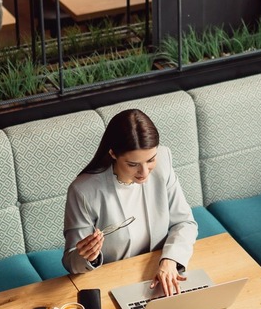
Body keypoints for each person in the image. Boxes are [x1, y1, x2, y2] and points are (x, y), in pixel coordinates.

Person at [62, 109, 197, 295]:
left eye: (150, 160)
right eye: (133, 164)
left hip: (160, 273)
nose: (144, 172)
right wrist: (88, 257)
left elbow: (184, 222)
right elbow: (71, 261)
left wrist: (170, 261)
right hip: (114, 283)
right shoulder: (83, 190)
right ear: (113, 153)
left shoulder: (164, 160)